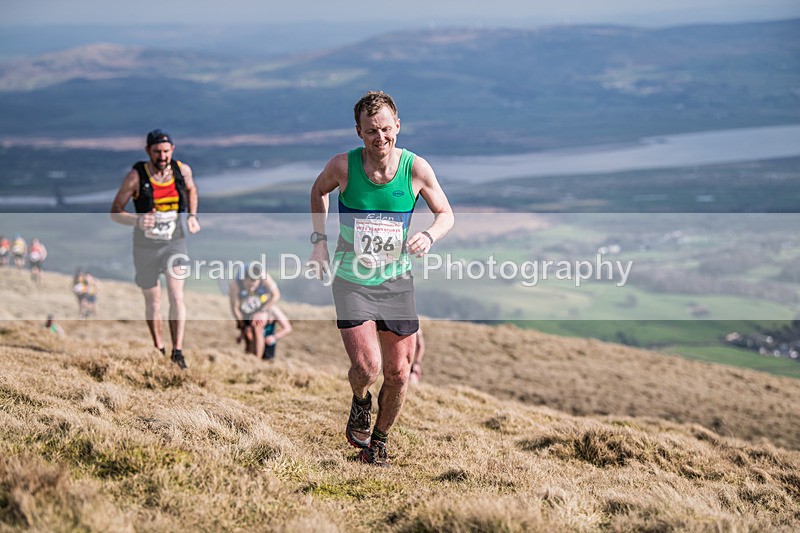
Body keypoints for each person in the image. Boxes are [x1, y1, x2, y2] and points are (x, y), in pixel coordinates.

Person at [308, 91, 454, 466]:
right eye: (371, 130)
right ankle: (360, 400)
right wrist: (319, 242)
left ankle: (379, 445)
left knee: (399, 373)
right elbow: (318, 191)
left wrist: (429, 234)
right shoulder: (343, 166)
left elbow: (446, 214)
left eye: (387, 129)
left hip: (396, 279)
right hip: (352, 277)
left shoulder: (416, 169)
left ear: (398, 126)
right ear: (359, 131)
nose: (380, 138)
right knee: (367, 368)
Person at [110, 129, 201, 369]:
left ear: (173, 150)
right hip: (145, 246)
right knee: (154, 301)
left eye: (166, 151)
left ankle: (178, 352)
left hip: (175, 241)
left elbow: (191, 189)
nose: (162, 156)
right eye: (157, 152)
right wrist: (137, 220)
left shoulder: (183, 171)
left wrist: (192, 215)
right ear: (148, 152)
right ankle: (158, 349)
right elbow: (115, 210)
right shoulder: (136, 177)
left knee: (176, 294)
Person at [228, 261, 281, 359]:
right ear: (244, 280)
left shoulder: (265, 278)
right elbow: (234, 306)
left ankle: (256, 360)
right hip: (245, 305)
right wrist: (241, 323)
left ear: (259, 280)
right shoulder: (235, 284)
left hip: (262, 305)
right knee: (247, 333)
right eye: (249, 286)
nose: (251, 289)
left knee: (257, 328)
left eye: (254, 286)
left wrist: (262, 311)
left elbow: (276, 295)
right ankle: (248, 357)